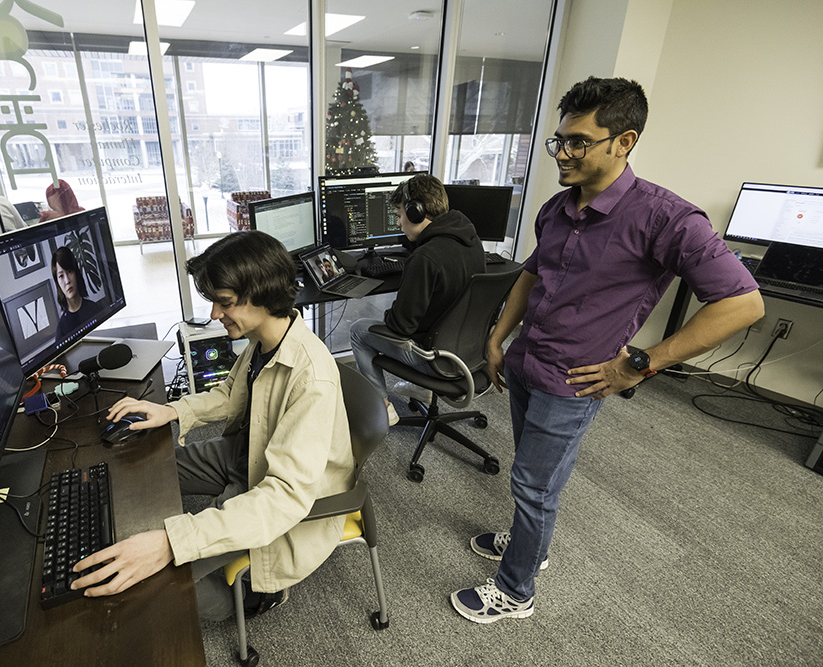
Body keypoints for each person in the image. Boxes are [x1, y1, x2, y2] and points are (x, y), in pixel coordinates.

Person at [450, 77, 763, 624]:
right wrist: (499, 334)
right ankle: (531, 544)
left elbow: (742, 303)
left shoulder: (667, 218)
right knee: (534, 474)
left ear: (625, 141)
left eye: (578, 143)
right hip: (528, 358)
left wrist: (642, 364)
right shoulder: (557, 205)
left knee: (532, 482)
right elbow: (533, 271)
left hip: (577, 378)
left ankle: (516, 590)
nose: (562, 154)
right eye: (559, 141)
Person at [70, 230, 355, 620]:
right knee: (143, 472)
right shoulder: (265, 336)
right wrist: (172, 411)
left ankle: (253, 599)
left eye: (224, 303)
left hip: (277, 489)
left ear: (265, 294)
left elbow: (283, 498)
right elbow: (229, 394)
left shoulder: (311, 379)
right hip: (248, 452)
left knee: (153, 586)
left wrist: (172, 543)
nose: (214, 315)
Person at [349, 174, 485, 426]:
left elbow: (401, 327)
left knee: (358, 330)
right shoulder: (470, 239)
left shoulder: (426, 258)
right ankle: (422, 390)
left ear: (416, 213)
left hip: (435, 358)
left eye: (400, 215)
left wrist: (390, 314)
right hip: (468, 352)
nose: (399, 223)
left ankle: (381, 407)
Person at [51, 245, 102, 343]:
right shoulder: (61, 328)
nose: (67, 281)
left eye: (69, 271)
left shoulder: (94, 308)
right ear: (57, 283)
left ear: (76, 273)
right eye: (61, 276)